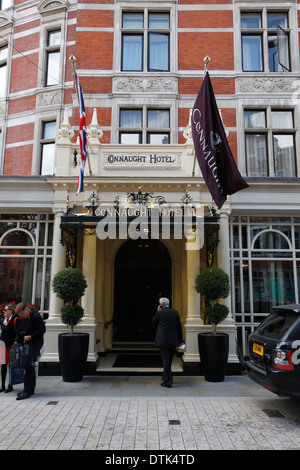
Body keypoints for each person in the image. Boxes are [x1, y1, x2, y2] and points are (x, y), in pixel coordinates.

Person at [14, 302, 46, 400]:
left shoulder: (36, 317)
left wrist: (31, 336)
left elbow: (42, 330)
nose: (21, 316)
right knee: (28, 365)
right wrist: (16, 341)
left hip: (36, 343)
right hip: (27, 343)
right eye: (19, 315)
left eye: (22, 314)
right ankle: (29, 389)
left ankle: (27, 390)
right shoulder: (23, 319)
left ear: (27, 310)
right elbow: (19, 331)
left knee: (29, 364)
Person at [152, 297, 184, 388]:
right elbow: (179, 327)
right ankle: (166, 378)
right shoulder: (175, 312)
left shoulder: (160, 313)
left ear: (160, 305)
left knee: (166, 361)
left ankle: (168, 382)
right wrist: (181, 340)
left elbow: (153, 323)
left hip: (163, 341)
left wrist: (157, 312)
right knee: (168, 361)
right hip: (173, 340)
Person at [0, 303, 19, 393]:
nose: (4, 311)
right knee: (3, 366)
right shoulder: (4, 320)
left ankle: (10, 385)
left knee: (11, 366)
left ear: (10, 311)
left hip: (11, 346)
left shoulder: (15, 320)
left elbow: (17, 332)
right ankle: (2, 385)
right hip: (3, 345)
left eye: (5, 310)